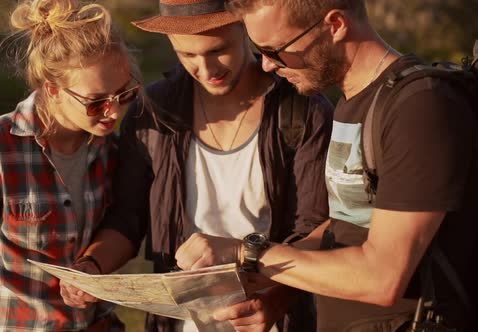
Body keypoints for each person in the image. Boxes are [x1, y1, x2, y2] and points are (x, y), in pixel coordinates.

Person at [174, 0, 478, 331]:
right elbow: (346, 222)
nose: (266, 66)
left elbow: (382, 277)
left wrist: (247, 252)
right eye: (257, 50)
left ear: (334, 25)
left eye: (276, 50)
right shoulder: (354, 102)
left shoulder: (419, 108)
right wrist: (263, 280)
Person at [59, 0, 333, 331]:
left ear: (245, 26)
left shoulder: (303, 111)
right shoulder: (152, 112)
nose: (206, 69)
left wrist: (276, 300)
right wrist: (92, 266)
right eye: (188, 56)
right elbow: (128, 218)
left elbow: (318, 230)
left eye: (218, 50)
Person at [0, 1, 143, 331]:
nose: (113, 113)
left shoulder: (112, 147)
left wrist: (92, 266)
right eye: (97, 102)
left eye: (124, 94)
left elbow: (121, 225)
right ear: (52, 89)